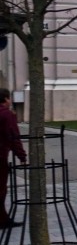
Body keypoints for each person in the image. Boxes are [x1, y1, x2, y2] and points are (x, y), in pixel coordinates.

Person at [0, 88, 28, 228]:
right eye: (9, 98)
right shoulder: (7, 115)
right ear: (5, 99)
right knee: (0, 188)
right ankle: (2, 219)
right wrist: (22, 156)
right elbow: (13, 137)